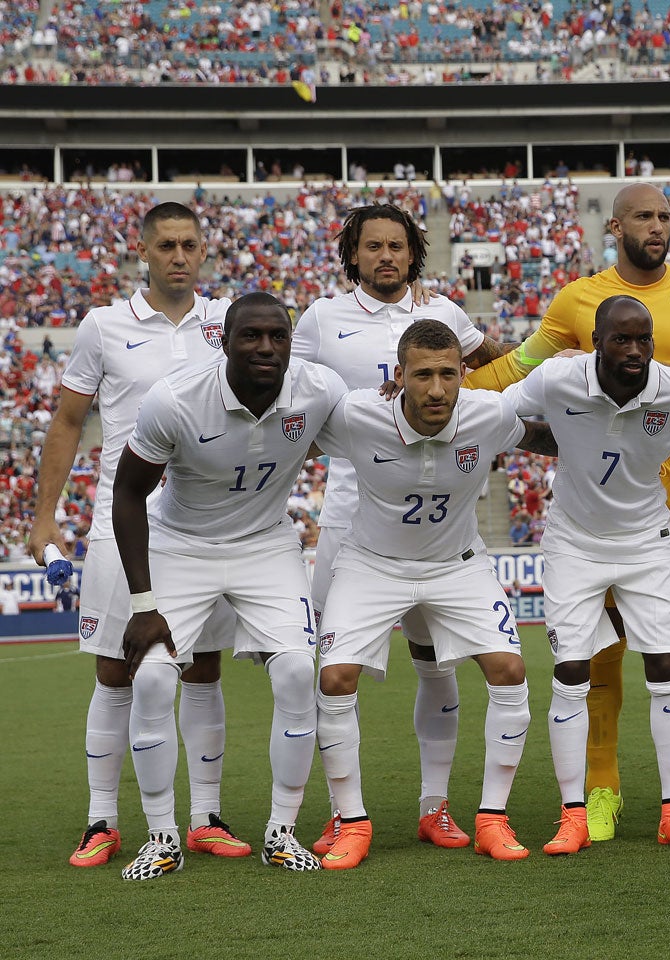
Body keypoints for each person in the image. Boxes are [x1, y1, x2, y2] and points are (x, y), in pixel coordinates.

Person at [466, 183, 670, 839]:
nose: (658, 225)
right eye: (644, 215)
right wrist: (450, 387)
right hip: (593, 487)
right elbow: (520, 370)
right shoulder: (575, 300)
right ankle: (601, 789)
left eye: (666, 215)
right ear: (615, 226)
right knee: (593, 651)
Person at [27, 202, 249, 869]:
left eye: (189, 246)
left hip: (206, 522)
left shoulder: (228, 321)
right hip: (121, 521)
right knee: (115, 666)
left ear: (204, 251)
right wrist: (44, 520)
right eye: (166, 246)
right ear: (142, 253)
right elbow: (68, 421)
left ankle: (206, 814)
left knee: (203, 665)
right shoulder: (103, 325)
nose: (179, 257)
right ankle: (102, 819)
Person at [292, 203, 510, 854]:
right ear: (352, 255)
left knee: (436, 666)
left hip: (436, 511)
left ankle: (433, 807)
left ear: (413, 252)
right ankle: (342, 811)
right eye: (373, 246)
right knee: (334, 669)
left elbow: (493, 367)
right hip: (352, 510)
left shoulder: (441, 314)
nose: (386, 255)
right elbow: (290, 393)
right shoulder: (322, 318)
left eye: (397, 246)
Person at [111, 293, 346, 880]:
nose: (266, 347)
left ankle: (281, 832)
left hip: (265, 543)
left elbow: (373, 425)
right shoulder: (175, 399)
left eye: (278, 337)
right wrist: (143, 604)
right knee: (152, 681)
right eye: (251, 336)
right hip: (180, 545)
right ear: (223, 341)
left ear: (292, 343)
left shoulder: (318, 388)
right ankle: (162, 835)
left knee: (296, 670)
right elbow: (127, 493)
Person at [311, 320, 558, 868]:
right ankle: (350, 820)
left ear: (464, 375)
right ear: (397, 378)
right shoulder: (357, 415)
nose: (437, 388)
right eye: (422, 375)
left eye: (449, 374)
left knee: (510, 672)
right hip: (372, 563)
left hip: (456, 565)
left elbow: (545, 437)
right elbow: (292, 431)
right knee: (334, 678)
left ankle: (486, 817)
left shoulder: (487, 415)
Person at [503, 295, 670, 855]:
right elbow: (497, 413)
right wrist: (548, 441)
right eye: (621, 338)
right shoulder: (557, 377)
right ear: (595, 341)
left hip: (647, 541)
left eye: (643, 338)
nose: (634, 349)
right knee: (572, 672)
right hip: (574, 543)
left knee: (666, 667)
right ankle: (573, 812)